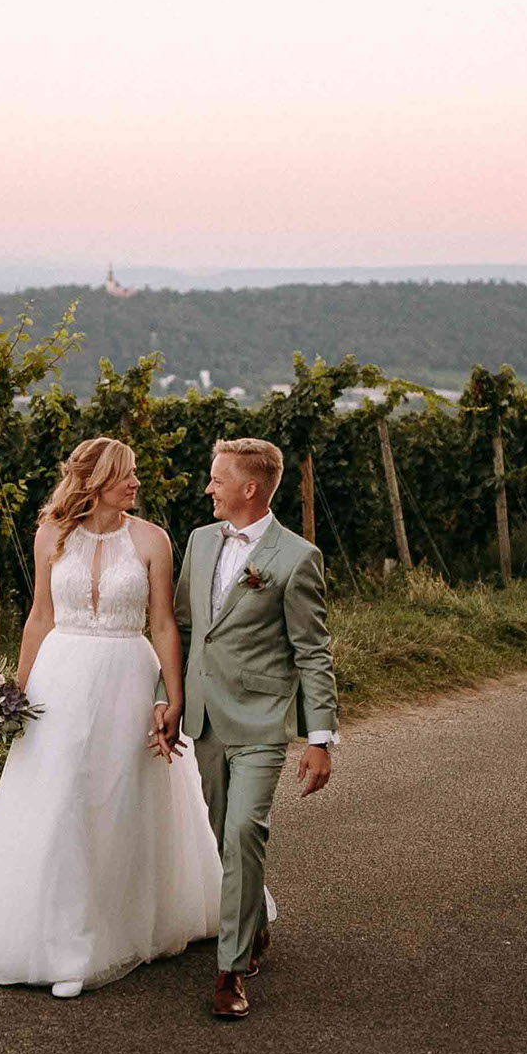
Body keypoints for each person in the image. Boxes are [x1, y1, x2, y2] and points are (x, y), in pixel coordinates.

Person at [0, 438, 222, 996]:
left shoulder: (152, 540)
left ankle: (95, 941)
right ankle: (41, 942)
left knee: (114, 801)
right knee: (55, 801)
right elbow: (38, 618)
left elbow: (165, 625)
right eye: (126, 474)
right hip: (61, 679)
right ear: (96, 479)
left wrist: (174, 700)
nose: (135, 484)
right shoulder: (50, 534)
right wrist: (14, 698)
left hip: (126, 676)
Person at [165, 437, 337, 1020]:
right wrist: (170, 702)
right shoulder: (198, 541)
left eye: (216, 479)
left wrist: (320, 739)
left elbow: (312, 653)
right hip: (205, 721)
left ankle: (230, 971)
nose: (207, 488)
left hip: (263, 723)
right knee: (220, 837)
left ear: (250, 488)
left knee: (243, 833)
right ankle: (254, 923)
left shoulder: (296, 557)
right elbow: (186, 631)